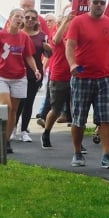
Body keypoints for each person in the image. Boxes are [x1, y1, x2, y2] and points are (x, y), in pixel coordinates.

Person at [66, 0, 109, 169]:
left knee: (106, 119)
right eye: (96, 2)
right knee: (79, 118)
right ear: (89, 4)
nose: (99, 5)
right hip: (82, 76)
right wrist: (72, 64)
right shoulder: (78, 21)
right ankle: (77, 152)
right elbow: (70, 45)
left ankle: (106, 156)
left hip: (104, 78)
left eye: (102, 3)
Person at [0, 8, 41, 153]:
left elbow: (28, 56)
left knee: (13, 111)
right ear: (10, 18)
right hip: (1, 76)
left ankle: (6, 140)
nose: (20, 19)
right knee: (6, 106)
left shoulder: (24, 37)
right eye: (17, 16)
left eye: (22, 17)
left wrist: (35, 70)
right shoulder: (1, 34)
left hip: (19, 77)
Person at [14, 8, 51, 143]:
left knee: (29, 102)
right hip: (17, 72)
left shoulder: (41, 36)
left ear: (37, 21)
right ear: (23, 18)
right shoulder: (17, 33)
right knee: (17, 103)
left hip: (34, 73)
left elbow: (48, 54)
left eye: (33, 18)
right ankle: (12, 128)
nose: (30, 20)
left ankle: (24, 130)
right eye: (27, 17)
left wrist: (48, 49)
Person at [40, 8, 74, 149]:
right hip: (59, 76)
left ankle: (77, 143)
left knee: (76, 110)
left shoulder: (75, 34)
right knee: (56, 109)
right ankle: (46, 132)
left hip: (75, 76)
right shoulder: (56, 33)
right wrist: (65, 20)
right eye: (64, 22)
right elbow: (56, 39)